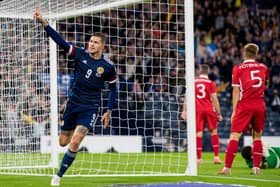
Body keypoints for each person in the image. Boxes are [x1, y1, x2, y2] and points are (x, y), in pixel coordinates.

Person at [33, 9, 118, 186]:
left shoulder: (108, 67)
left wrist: (108, 110)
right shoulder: (80, 54)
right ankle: (68, 146)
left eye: (95, 42)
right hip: (73, 105)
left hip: (90, 108)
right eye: (91, 41)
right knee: (63, 142)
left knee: (76, 141)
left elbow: (113, 89)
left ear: (102, 46)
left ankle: (58, 177)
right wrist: (45, 24)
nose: (91, 44)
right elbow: (61, 42)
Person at [218, 43, 269, 175]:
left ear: (244, 54)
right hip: (259, 104)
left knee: (235, 135)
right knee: (257, 136)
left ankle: (227, 168)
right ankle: (256, 168)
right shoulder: (263, 67)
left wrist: (234, 110)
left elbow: (236, 90)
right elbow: (266, 84)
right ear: (256, 55)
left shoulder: (238, 68)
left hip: (244, 104)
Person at [181, 64, 223, 165]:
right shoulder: (211, 83)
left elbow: (186, 98)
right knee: (214, 132)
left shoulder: (193, 82)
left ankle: (199, 159)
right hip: (209, 109)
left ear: (199, 71)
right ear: (207, 72)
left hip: (198, 110)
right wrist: (218, 113)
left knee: (198, 133)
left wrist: (184, 111)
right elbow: (215, 99)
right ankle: (216, 157)